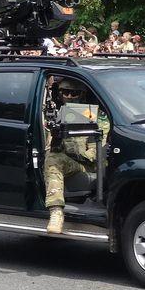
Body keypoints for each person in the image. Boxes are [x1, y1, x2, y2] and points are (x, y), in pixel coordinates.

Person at [43, 78, 110, 234]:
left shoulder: (95, 117)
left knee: (54, 159)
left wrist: (71, 149)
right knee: (51, 157)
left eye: (74, 93)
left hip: (84, 165)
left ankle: (56, 213)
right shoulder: (54, 115)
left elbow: (95, 154)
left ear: (83, 94)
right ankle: (51, 208)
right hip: (62, 160)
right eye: (65, 92)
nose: (70, 96)